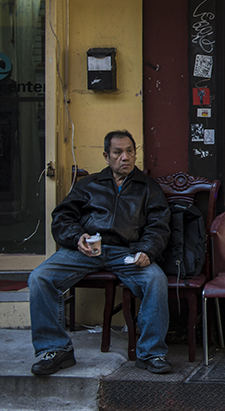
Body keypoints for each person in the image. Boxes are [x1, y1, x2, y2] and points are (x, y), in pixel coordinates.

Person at [27, 130, 173, 376]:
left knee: (156, 280)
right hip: (87, 250)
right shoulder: (89, 184)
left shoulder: (148, 187)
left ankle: (151, 353)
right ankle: (56, 349)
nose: (125, 157)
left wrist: (148, 250)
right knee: (40, 278)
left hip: (127, 252)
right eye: (118, 152)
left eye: (130, 151)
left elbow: (159, 225)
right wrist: (78, 237)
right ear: (107, 156)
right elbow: (62, 217)